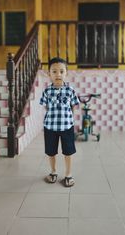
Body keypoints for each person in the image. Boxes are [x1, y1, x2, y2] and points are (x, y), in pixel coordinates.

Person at [40, 57, 79, 187]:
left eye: (62, 71)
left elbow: (73, 107)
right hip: (50, 127)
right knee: (51, 151)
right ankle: (53, 172)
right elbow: (46, 107)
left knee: (68, 152)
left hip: (67, 126)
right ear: (49, 73)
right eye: (54, 71)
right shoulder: (47, 91)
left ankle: (68, 174)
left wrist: (67, 119)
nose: (58, 74)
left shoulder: (70, 91)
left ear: (66, 73)